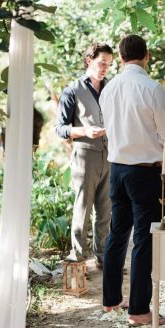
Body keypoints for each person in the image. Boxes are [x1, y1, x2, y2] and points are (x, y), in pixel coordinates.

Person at [99, 34, 165, 325]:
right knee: (144, 240)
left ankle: (111, 301)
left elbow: (110, 128)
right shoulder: (153, 88)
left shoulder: (109, 90)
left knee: (117, 234)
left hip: (117, 170)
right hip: (145, 172)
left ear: (120, 58)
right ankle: (139, 311)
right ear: (147, 55)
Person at [55, 43, 113, 268]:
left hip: (109, 156)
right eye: (101, 63)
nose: (105, 68)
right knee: (83, 209)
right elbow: (60, 128)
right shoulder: (72, 90)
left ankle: (103, 258)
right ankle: (78, 259)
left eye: (108, 64)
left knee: (105, 212)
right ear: (89, 60)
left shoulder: (111, 88)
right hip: (84, 156)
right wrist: (84, 131)